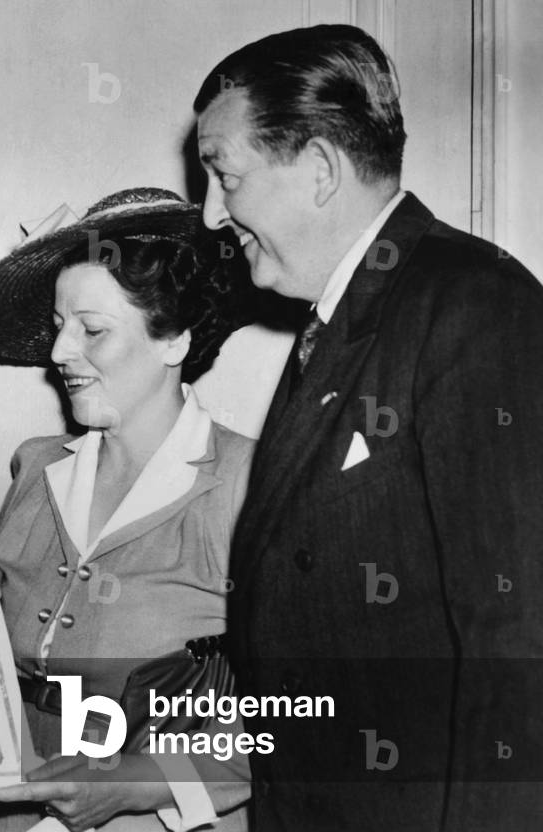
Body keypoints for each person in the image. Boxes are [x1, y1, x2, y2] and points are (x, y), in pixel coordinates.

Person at [194, 24, 543, 830]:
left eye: (225, 175)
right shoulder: (337, 320)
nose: (213, 214)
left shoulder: (477, 306)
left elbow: (517, 646)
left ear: (319, 170)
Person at [0, 188, 256, 832]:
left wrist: (134, 785)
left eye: (90, 330)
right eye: (61, 327)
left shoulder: (248, 484)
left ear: (173, 339)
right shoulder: (36, 466)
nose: (60, 352)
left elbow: (303, 713)